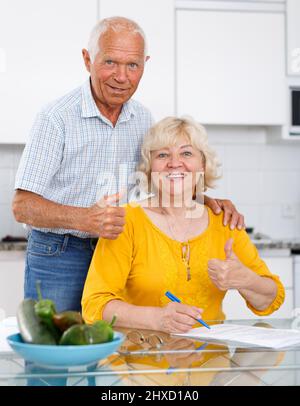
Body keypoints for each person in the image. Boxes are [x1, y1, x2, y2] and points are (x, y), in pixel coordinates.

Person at [12, 17, 244, 312]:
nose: (121, 77)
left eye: (132, 65)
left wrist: (207, 201)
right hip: (60, 254)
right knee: (56, 352)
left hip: (122, 252)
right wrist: (86, 219)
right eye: (110, 62)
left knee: (115, 353)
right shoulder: (56, 118)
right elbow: (22, 205)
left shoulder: (143, 119)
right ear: (87, 59)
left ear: (144, 64)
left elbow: (159, 183)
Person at [82, 116, 285, 332]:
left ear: (203, 165)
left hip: (210, 360)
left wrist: (247, 280)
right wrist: (156, 319)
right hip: (142, 358)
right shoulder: (125, 222)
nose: (174, 162)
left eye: (186, 153)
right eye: (162, 154)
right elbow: (94, 305)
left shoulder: (224, 222)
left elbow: (270, 299)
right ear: (150, 168)